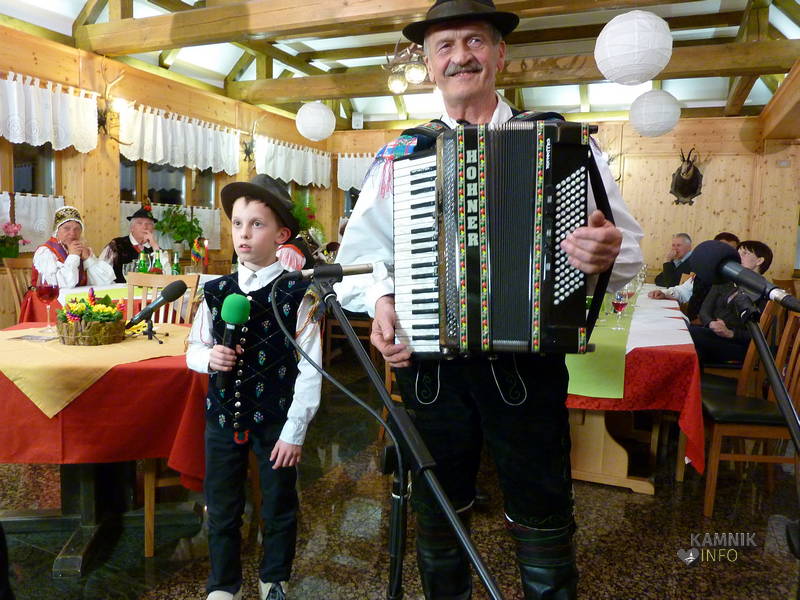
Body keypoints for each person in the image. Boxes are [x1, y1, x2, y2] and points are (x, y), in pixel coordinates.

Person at [334, 1, 643, 598]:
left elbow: (627, 249)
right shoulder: (403, 155)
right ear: (429, 64)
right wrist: (381, 300)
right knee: (437, 513)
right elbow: (362, 259)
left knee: (542, 509)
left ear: (500, 54)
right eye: (444, 46)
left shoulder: (561, 143)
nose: (460, 57)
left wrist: (605, 253)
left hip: (527, 365)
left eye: (474, 41)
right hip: (430, 370)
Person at [186, 174, 323, 600]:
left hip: (276, 420)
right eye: (237, 223)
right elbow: (193, 349)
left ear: (281, 235)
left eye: (257, 224)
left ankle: (274, 577)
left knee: (279, 503)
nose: (243, 233)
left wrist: (294, 431)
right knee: (222, 505)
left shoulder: (298, 294)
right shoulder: (216, 292)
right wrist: (209, 359)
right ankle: (223, 584)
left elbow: (312, 370)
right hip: (223, 416)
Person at [689, 240, 773, 366]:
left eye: (745, 253)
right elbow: (704, 311)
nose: (738, 257)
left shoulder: (765, 292)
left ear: (759, 261)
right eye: (737, 253)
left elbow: (760, 334)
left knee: (688, 334)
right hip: (712, 334)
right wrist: (711, 323)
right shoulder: (724, 281)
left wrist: (730, 333)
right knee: (695, 351)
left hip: (738, 344)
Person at [649, 232, 740, 321]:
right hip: (693, 320)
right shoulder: (703, 271)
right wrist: (665, 294)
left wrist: (707, 321)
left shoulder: (738, 280)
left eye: (732, 251)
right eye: (723, 251)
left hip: (713, 325)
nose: (727, 256)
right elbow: (682, 291)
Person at [32, 206, 115, 288]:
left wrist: (88, 260)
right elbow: (57, 286)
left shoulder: (83, 249)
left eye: (77, 229)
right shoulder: (46, 251)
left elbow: (105, 282)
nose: (72, 233)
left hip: (79, 296)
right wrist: (73, 257)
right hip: (47, 296)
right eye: (66, 228)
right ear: (57, 230)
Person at [99, 205, 161, 282]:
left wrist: (154, 245)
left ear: (153, 229)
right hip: (120, 288)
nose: (145, 227)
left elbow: (165, 273)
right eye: (140, 223)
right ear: (132, 228)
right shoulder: (116, 245)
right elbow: (100, 272)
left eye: (149, 224)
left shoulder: (155, 248)